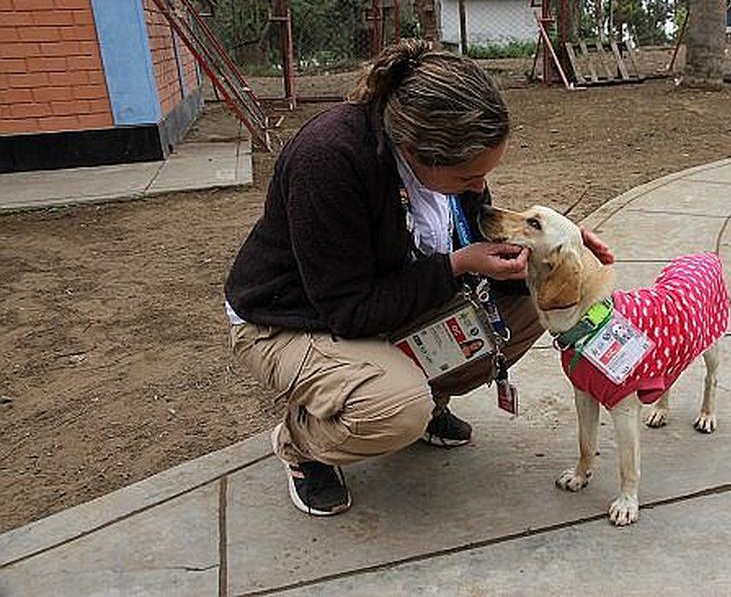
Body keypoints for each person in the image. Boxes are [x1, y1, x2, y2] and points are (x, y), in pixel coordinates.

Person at [224, 40, 613, 517]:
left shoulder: (441, 163)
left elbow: (471, 243)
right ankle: (303, 443)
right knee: (394, 408)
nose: (480, 189)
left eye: (485, 175)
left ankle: (429, 400)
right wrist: (457, 265)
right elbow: (349, 311)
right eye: (469, 178)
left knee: (538, 307)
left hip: (379, 302)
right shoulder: (329, 160)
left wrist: (556, 252)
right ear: (415, 152)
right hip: (291, 319)